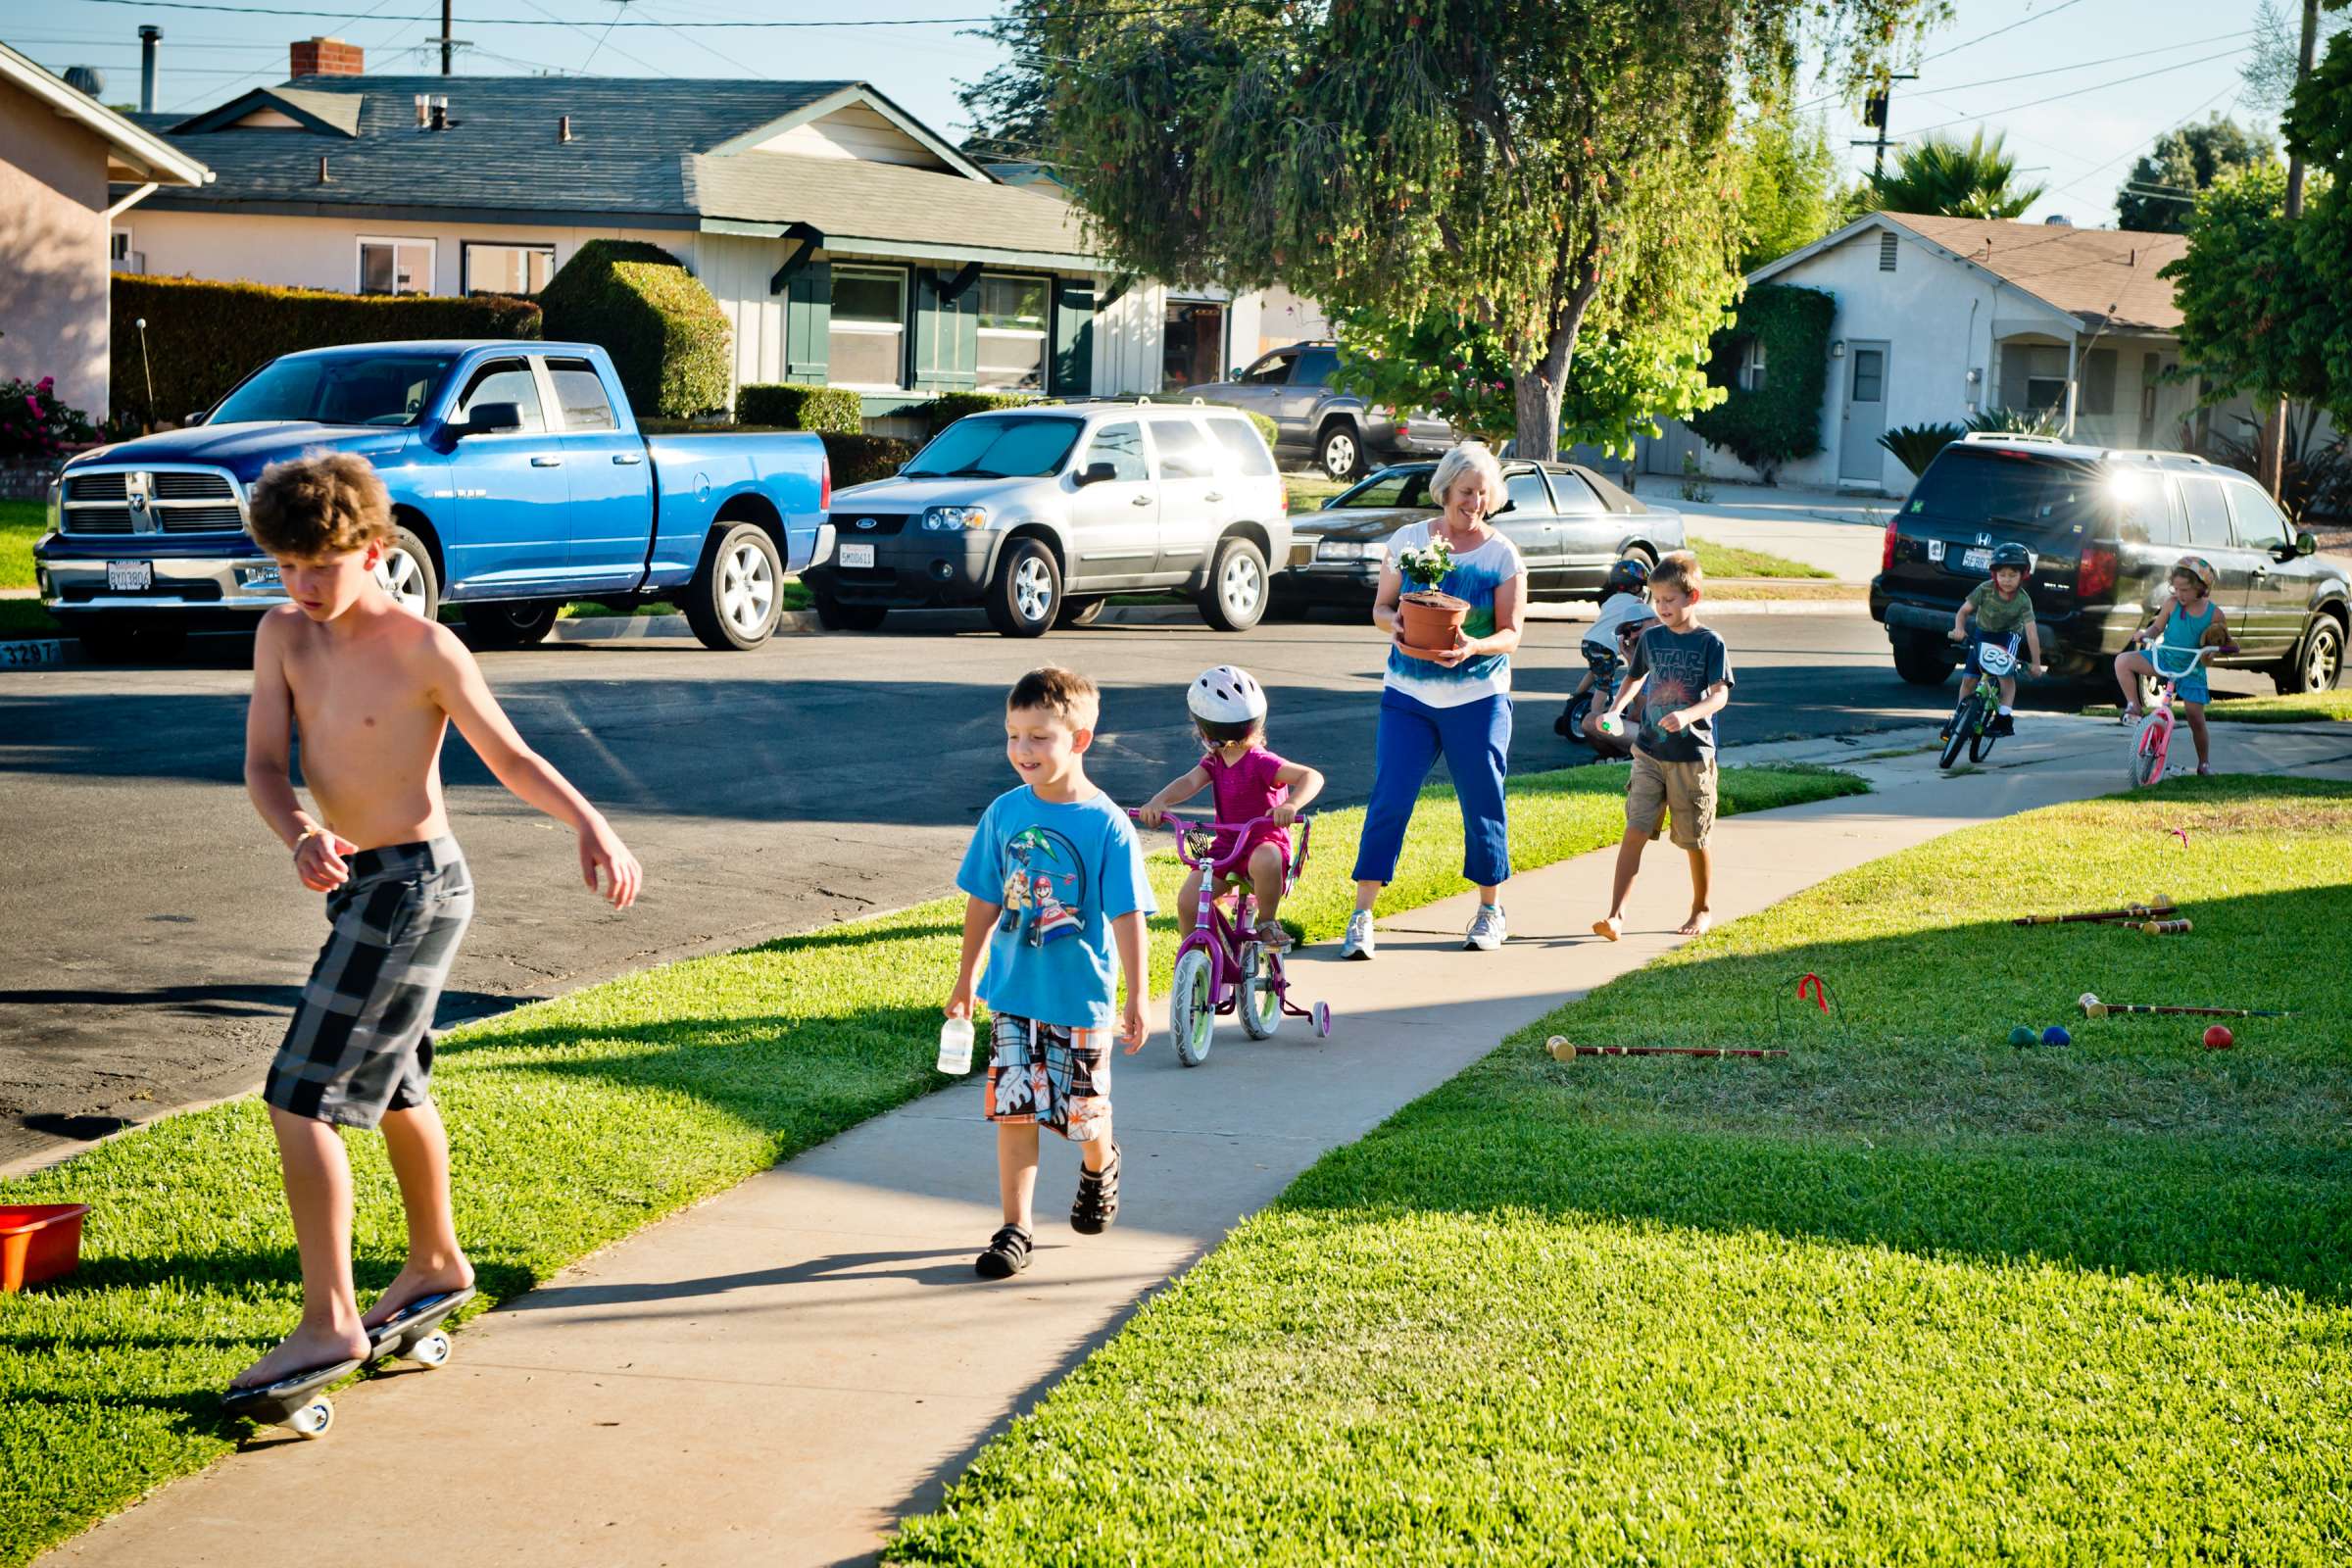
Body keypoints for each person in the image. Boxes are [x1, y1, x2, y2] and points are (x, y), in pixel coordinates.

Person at [234, 452, 642, 1395]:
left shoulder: (425, 647)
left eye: (321, 566)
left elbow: (510, 754)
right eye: (286, 567)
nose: (302, 585)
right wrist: (299, 831)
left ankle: (330, 1322)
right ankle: (435, 1262)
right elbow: (263, 765)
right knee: (401, 1086)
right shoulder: (282, 636)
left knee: (300, 1098)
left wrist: (591, 823)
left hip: (417, 887)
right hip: (356, 881)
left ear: (372, 550)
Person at [949, 666, 1153, 1280]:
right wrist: (966, 977)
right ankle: (1016, 1228)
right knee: (1015, 1109)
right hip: (1012, 992)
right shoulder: (1004, 813)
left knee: (1081, 1116)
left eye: (1038, 737)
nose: (1022, 751)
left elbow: (1126, 914)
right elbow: (984, 899)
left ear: (1080, 740)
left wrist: (1139, 995)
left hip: (1080, 998)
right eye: (1013, 736)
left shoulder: (1106, 824)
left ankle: (1100, 1163)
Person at [1342, 441, 1528, 960]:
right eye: (1467, 492)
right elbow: (1381, 609)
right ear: (1445, 489)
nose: (1475, 503)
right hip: (1408, 697)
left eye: (1484, 494)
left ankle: (1491, 910)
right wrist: (1397, 625)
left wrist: (1473, 646)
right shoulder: (1410, 540)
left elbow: (1512, 632)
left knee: (1483, 801)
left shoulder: (1501, 554)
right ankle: (1362, 915)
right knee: (1390, 799)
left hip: (1480, 698)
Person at [1592, 550, 1733, 941]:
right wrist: (1617, 708)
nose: (1662, 607)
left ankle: (1701, 908)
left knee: (1693, 838)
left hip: (1691, 756)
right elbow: (1634, 678)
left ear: (1693, 598)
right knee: (1635, 829)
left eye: (1670, 600)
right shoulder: (1651, 638)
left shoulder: (1710, 643)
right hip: (1650, 752)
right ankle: (1615, 915)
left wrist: (1688, 715)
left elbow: (1720, 695)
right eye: (1657, 600)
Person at [1138, 664, 1326, 950]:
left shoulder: (1261, 762)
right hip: (1227, 848)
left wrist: (1291, 804)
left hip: (1264, 842)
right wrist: (1158, 801)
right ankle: (1197, 959)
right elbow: (1187, 783)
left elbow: (1311, 776)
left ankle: (1267, 922)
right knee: (1189, 900)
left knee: (1265, 858)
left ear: (1204, 730)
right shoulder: (1214, 761)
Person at [2115, 555, 2230, 774]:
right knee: (2123, 661)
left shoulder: (2214, 613)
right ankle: (2134, 706)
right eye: (2176, 589)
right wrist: (2145, 635)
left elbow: (2223, 638)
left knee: (2195, 717)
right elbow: (2156, 628)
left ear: (2202, 587)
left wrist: (2222, 648)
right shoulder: (2171, 604)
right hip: (2165, 658)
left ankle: (2203, 763)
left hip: (2192, 669)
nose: (2180, 594)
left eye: (2185, 590)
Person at [1555, 556, 1657, 759]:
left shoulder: (1610, 600)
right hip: (1606, 646)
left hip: (1588, 641)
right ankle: (1597, 714)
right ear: (1637, 587)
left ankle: (1575, 697)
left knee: (1596, 671)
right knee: (1604, 683)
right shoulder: (1637, 604)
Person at [1945, 542, 2045, 737]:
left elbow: (2031, 633)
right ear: (1994, 575)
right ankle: (1958, 718)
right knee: (1968, 679)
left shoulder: (2023, 600)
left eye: (2012, 575)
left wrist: (2036, 663)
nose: (2006, 580)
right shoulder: (1984, 589)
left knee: (2004, 676)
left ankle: (2004, 719)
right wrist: (1959, 628)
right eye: (2002, 575)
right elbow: (1963, 612)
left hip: (2008, 636)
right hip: (1983, 633)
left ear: (2023, 575)